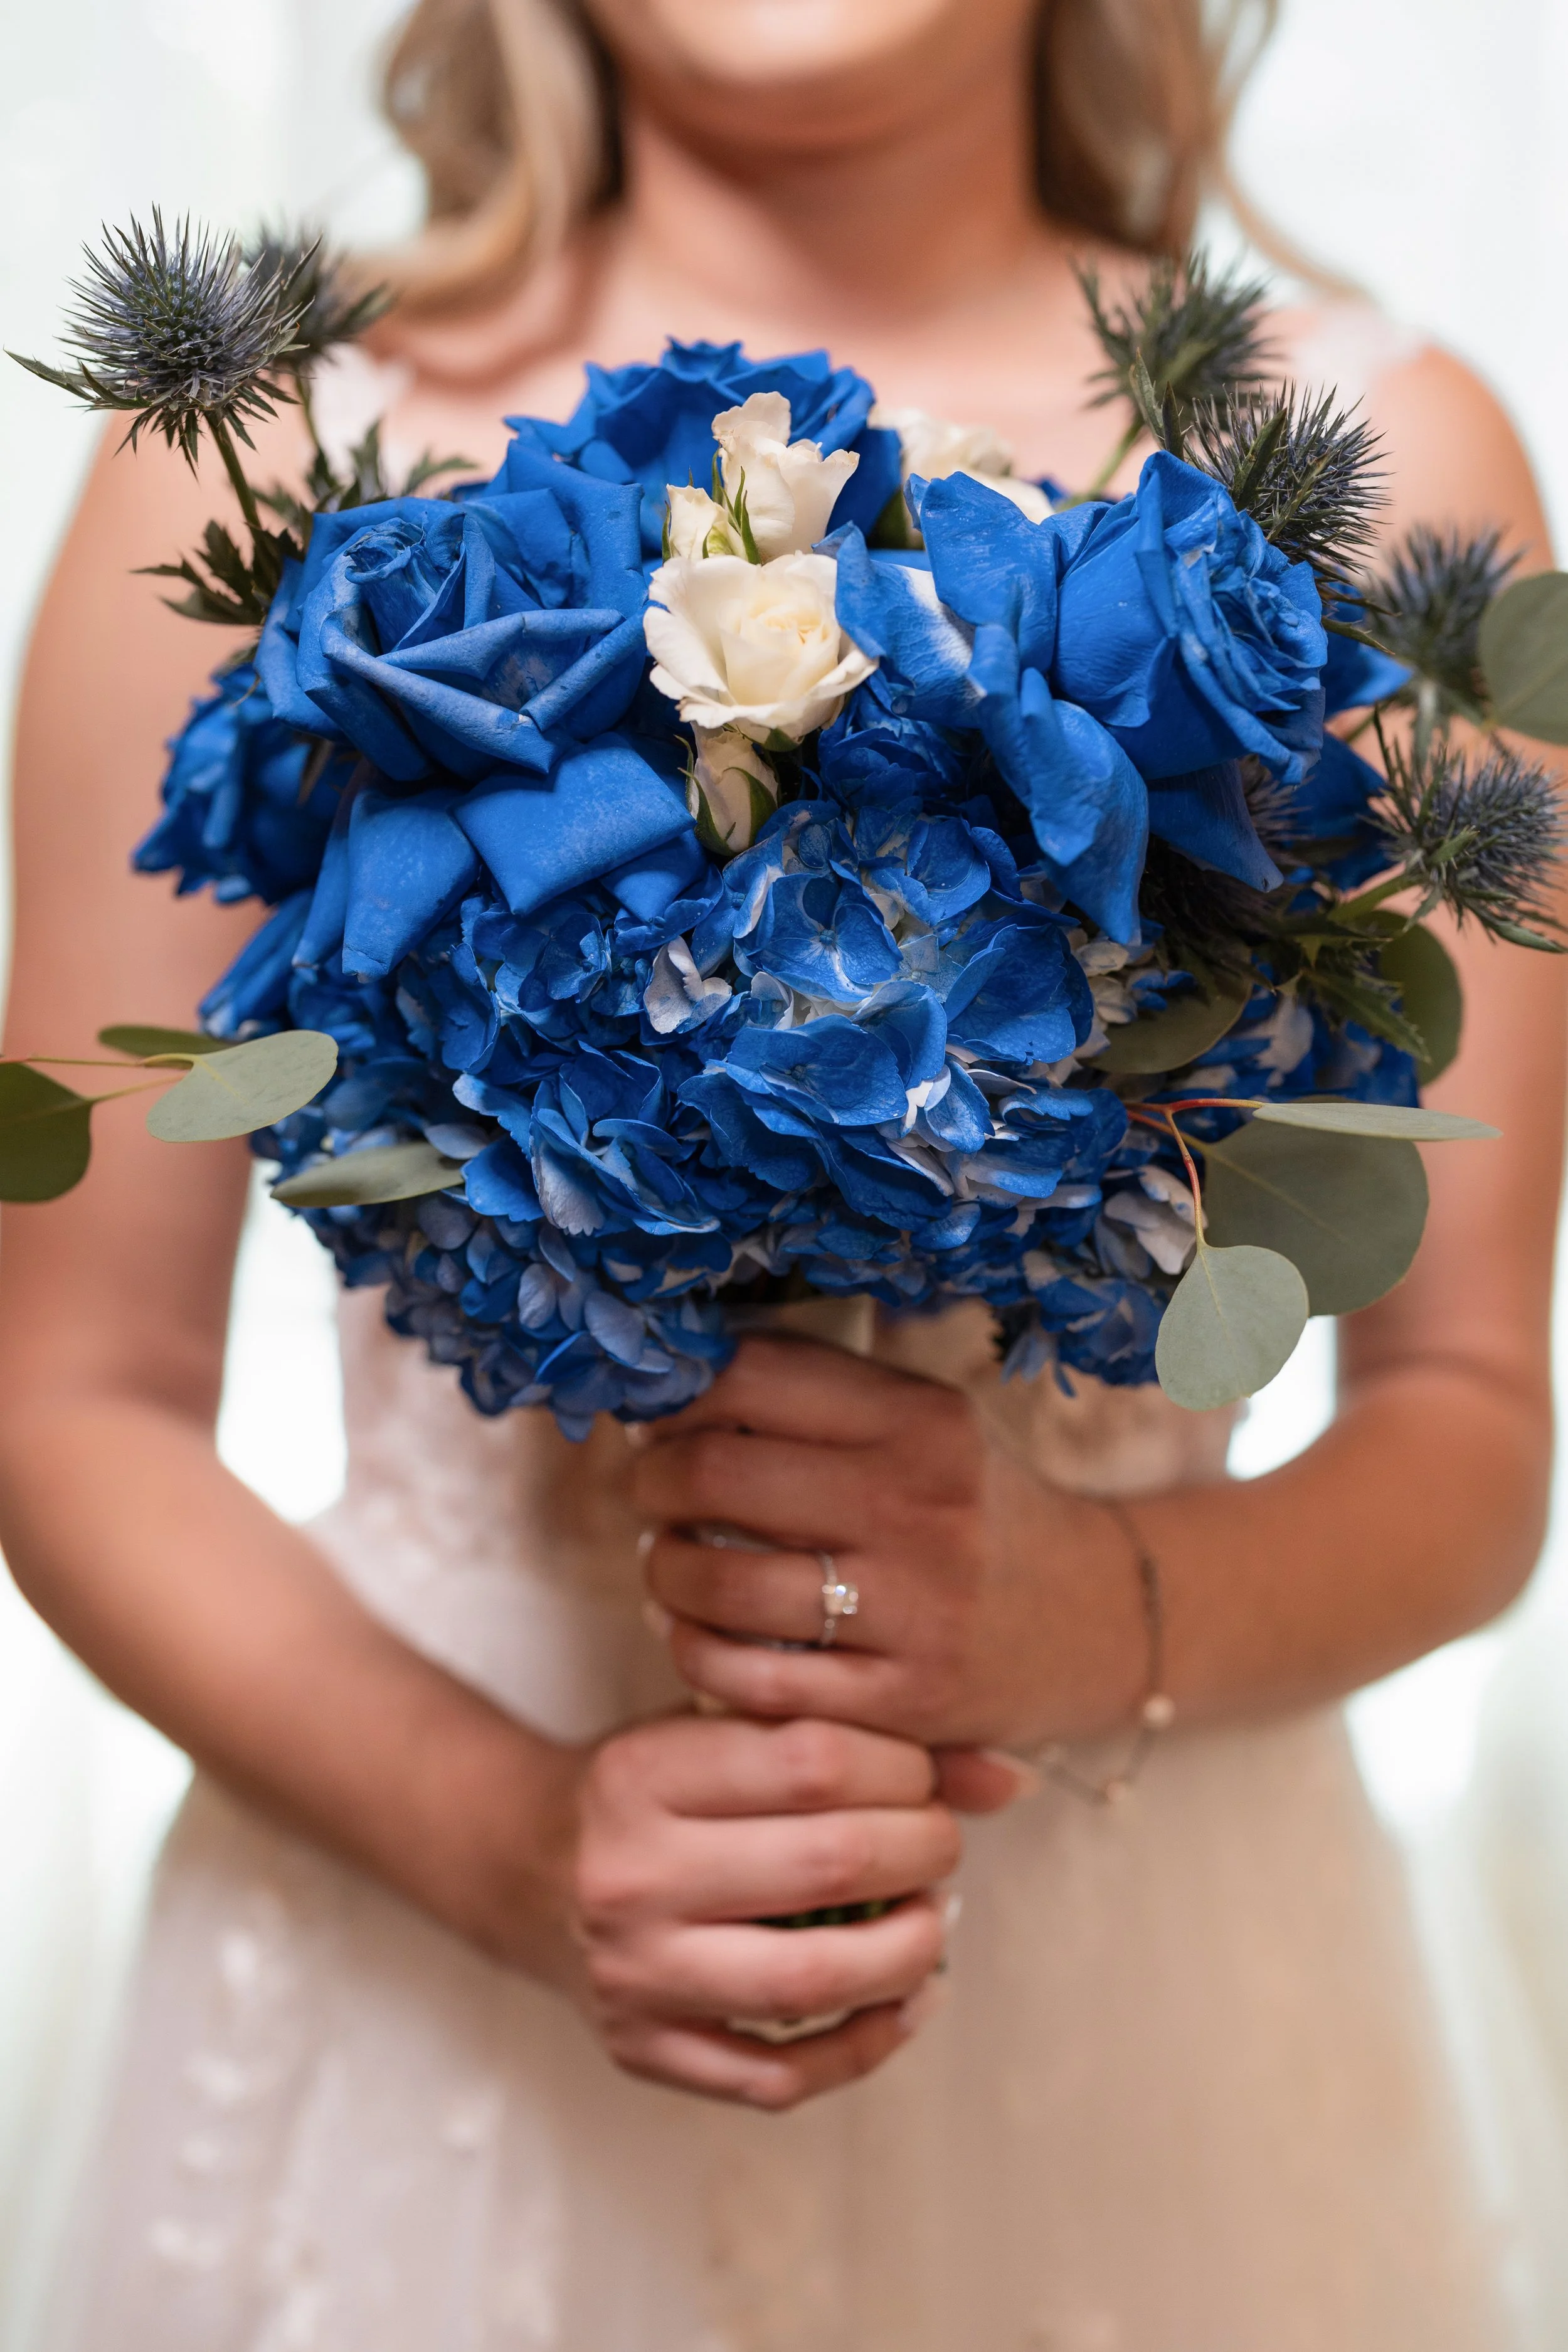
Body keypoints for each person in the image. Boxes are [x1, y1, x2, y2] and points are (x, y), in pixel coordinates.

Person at [1, 1, 1562, 2344]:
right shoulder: (265, 456)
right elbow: (68, 1393)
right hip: (437, 1971)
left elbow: (1468, 1425)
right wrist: (510, 1841)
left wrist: (1083, 1613)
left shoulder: (1368, 457)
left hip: (1131, 2026)